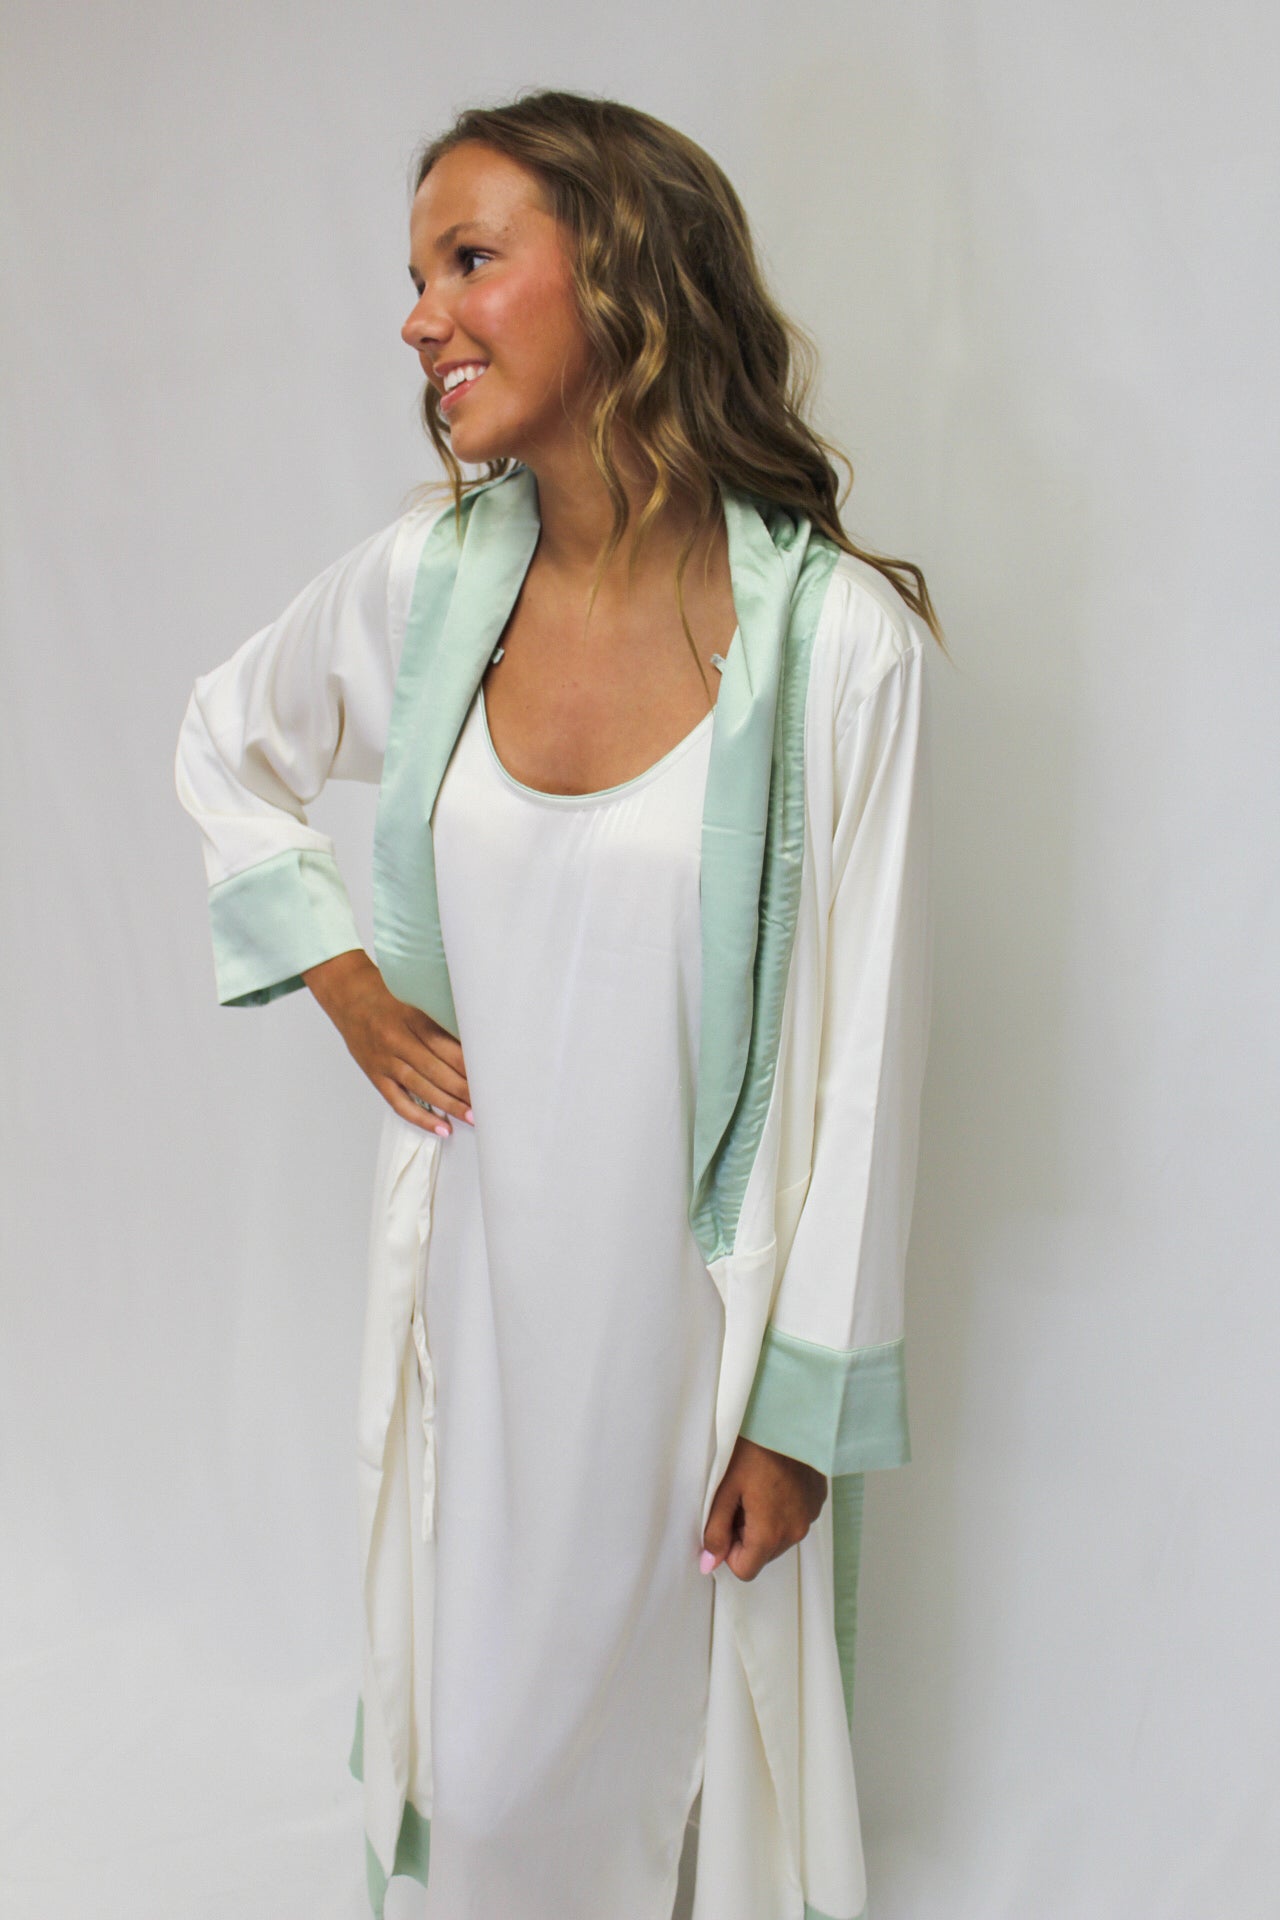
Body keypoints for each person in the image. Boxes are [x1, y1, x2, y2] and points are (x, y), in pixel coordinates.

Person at [174, 88, 943, 1920]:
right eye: (417, 274)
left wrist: (799, 1415)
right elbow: (227, 739)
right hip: (479, 1309)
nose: (420, 317)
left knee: (680, 1765)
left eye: (469, 260)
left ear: (624, 278)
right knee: (490, 1762)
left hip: (692, 1340)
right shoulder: (429, 587)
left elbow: (869, 1065)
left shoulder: (839, 651)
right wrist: (343, 982)